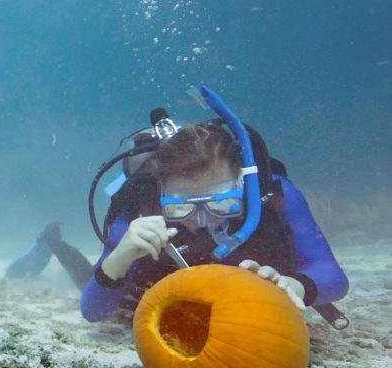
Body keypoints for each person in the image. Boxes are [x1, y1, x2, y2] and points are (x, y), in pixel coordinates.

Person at [80, 121, 348, 321]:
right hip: (147, 300)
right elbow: (93, 311)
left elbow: (332, 275)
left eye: (220, 202)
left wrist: (296, 285)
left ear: (242, 183)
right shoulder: (139, 212)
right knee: (81, 275)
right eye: (182, 206)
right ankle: (53, 242)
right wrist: (118, 259)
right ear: (160, 192)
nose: (201, 221)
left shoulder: (275, 196)